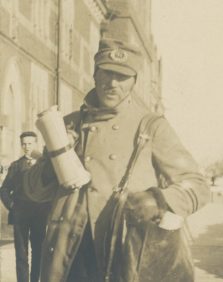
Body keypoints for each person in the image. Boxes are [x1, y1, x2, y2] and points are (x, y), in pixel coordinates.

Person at [21, 38, 209, 282]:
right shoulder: (69, 124)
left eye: (122, 77)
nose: (112, 84)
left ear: (133, 82)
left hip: (125, 254)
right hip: (70, 257)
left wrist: (158, 200)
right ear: (95, 74)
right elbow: (33, 190)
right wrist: (54, 160)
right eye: (106, 74)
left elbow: (198, 185)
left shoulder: (151, 126)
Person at [0, 131, 50, 282]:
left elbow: (51, 188)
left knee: (38, 251)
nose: (27, 147)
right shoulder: (16, 165)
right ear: (21, 145)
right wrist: (12, 206)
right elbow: (4, 189)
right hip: (20, 214)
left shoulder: (45, 164)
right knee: (21, 254)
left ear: (36, 144)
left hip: (39, 214)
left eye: (30, 143)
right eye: (24, 144)